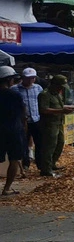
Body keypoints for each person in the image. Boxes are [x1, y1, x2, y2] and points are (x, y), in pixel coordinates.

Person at [0, 66, 26, 194]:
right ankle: (6, 188)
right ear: (9, 80)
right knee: (14, 159)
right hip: (14, 130)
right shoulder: (14, 94)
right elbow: (23, 112)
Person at [36, 75, 68, 177]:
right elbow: (44, 109)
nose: (61, 88)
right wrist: (61, 111)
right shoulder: (45, 94)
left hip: (58, 122)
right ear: (54, 84)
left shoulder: (57, 94)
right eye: (60, 86)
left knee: (60, 143)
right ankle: (46, 169)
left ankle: (52, 163)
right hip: (49, 124)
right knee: (49, 146)